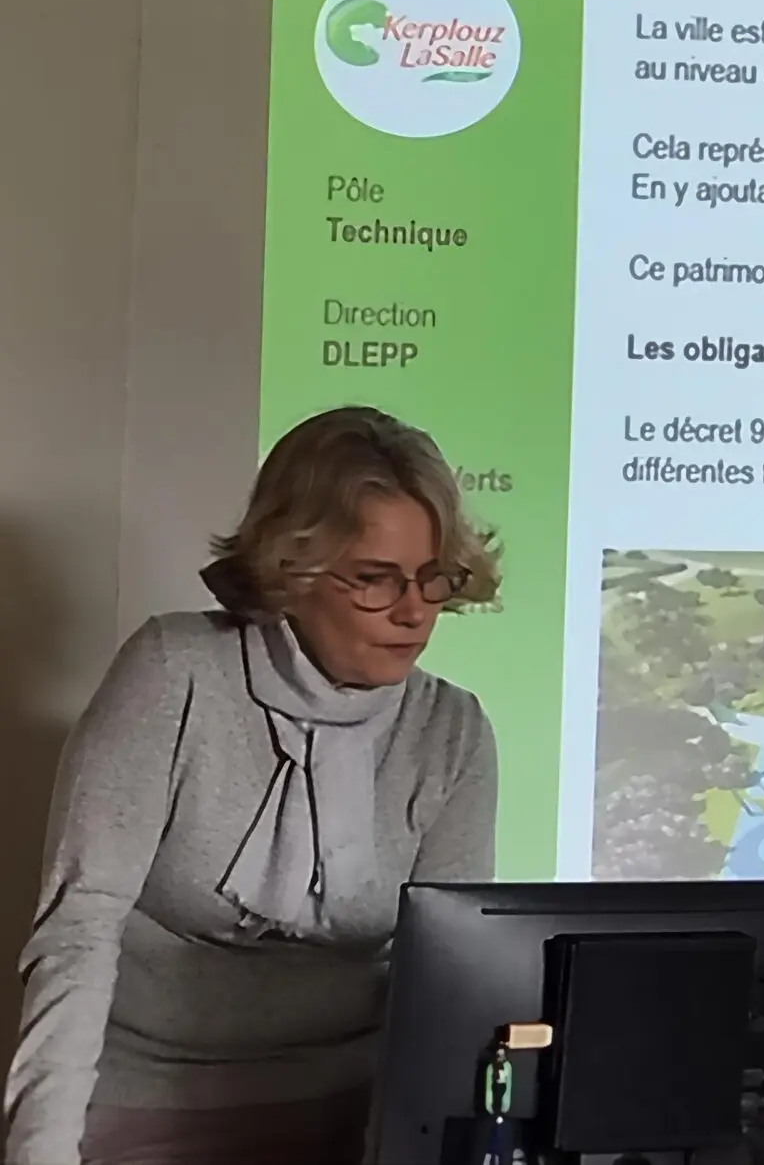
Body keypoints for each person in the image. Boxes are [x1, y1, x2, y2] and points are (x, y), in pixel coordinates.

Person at [5, 408, 502, 1165]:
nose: (413, 611)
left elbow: (447, 983)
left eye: (433, 578)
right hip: (145, 1103)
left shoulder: (452, 731)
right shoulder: (175, 671)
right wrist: (41, 1151)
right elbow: (80, 928)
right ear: (290, 569)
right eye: (375, 579)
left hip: (356, 1111)